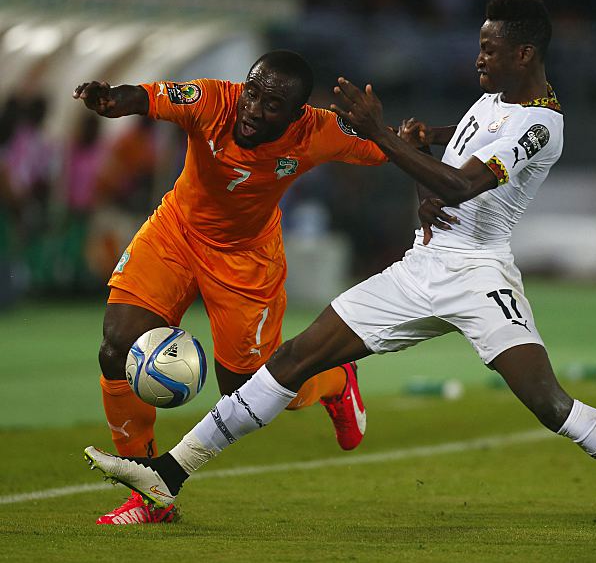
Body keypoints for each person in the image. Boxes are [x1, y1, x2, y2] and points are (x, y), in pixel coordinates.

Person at [84, 0, 596, 548]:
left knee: (550, 404)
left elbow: (461, 184)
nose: (478, 57)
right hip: (421, 267)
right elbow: (456, 154)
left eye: (489, 48)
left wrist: (383, 134)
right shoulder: (494, 100)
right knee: (290, 361)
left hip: (480, 277)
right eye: (479, 45)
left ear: (524, 54)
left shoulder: (542, 124)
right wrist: (427, 147)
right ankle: (168, 474)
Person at [74, 50, 387, 524]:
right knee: (117, 346)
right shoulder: (213, 100)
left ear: (297, 113)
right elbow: (146, 97)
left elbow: (392, 146)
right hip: (176, 231)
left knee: (249, 389)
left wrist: (454, 139)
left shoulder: (317, 131)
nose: (253, 109)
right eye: (252, 93)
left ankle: (335, 380)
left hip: (246, 260)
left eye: (272, 104)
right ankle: (149, 496)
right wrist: (112, 99)